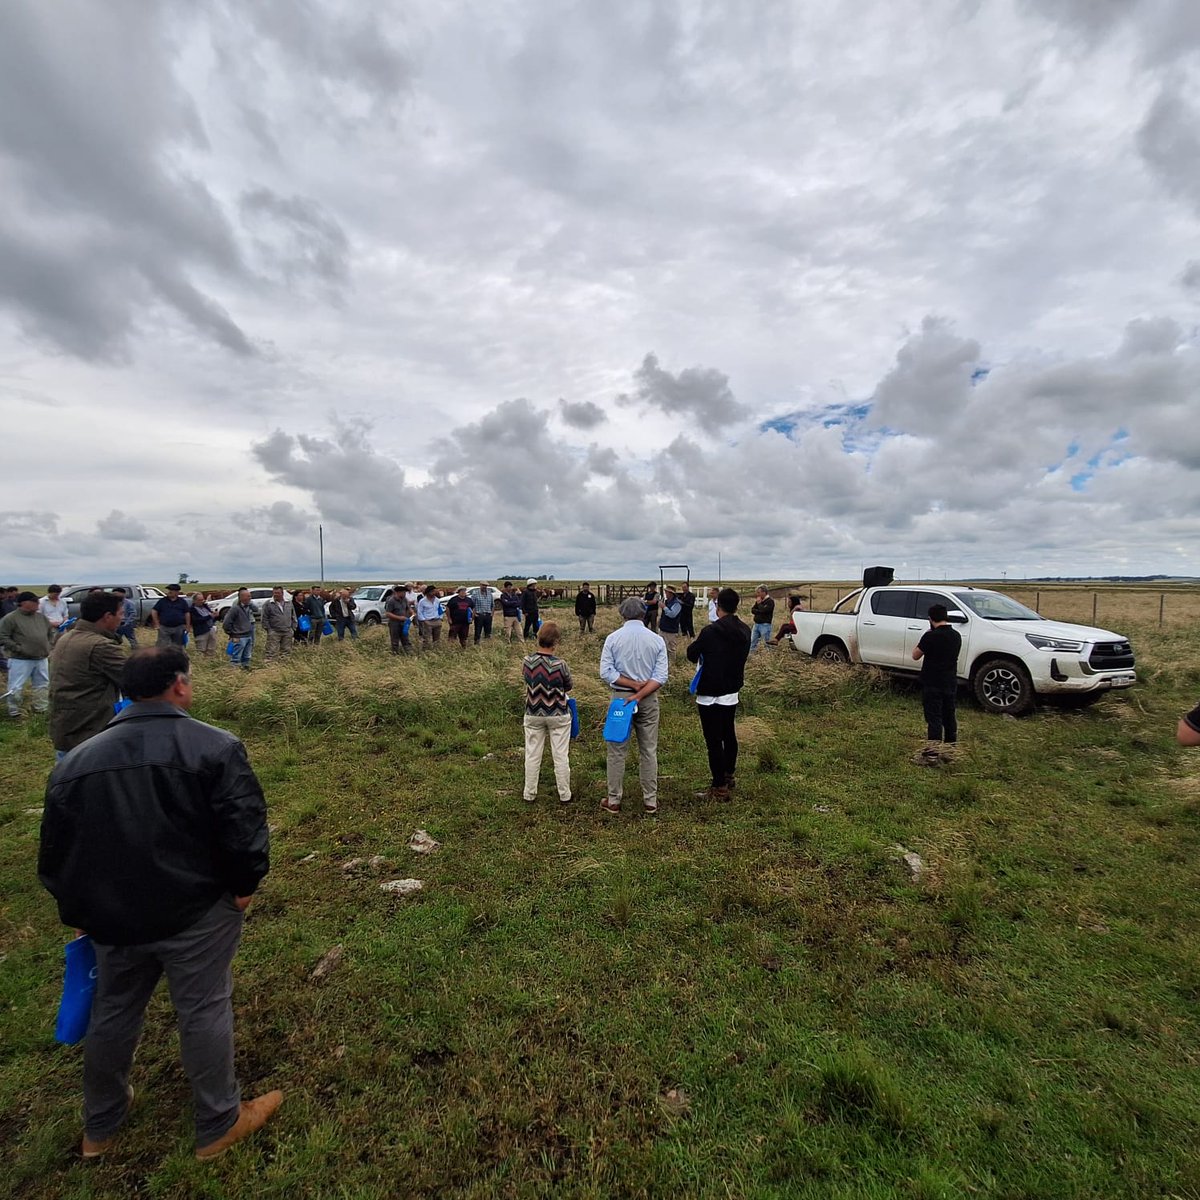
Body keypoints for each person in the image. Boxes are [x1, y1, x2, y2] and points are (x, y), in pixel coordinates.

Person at [38, 647, 280, 1161]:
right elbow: (243, 827)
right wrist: (244, 886)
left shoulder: (77, 761)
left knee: (113, 1011)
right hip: (196, 910)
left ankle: (100, 1127)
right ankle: (218, 1123)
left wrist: (79, 914)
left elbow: (56, 854)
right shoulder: (215, 746)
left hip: (109, 915)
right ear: (179, 686)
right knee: (204, 1008)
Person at [599, 596, 669, 816]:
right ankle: (650, 801)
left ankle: (614, 800)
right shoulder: (657, 640)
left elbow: (606, 672)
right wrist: (640, 694)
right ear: (644, 614)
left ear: (622, 614)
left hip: (621, 698)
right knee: (648, 750)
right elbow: (661, 676)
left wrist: (630, 686)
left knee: (616, 750)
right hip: (648, 698)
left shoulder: (613, 638)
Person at [685, 587, 751, 800]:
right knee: (729, 734)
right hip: (731, 690)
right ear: (736, 605)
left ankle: (719, 786)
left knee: (713, 740)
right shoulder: (744, 629)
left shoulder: (710, 632)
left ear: (717, 605)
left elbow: (691, 654)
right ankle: (729, 775)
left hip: (709, 693)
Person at [49, 591, 126, 760]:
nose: (122, 619)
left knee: (67, 779)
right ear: (107, 616)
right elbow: (135, 680)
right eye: (120, 614)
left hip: (67, 726)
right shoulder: (100, 645)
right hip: (90, 731)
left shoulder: (67, 637)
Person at [521, 621, 573, 805]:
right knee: (560, 755)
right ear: (556, 641)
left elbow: (526, 679)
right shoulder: (561, 664)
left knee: (532, 754)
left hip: (533, 712)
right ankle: (564, 794)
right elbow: (569, 686)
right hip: (558, 713)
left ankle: (529, 793)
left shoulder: (527, 661)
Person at [911, 603, 962, 754]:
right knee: (949, 715)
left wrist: (926, 635)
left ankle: (933, 752)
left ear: (930, 619)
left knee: (934, 717)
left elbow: (915, 655)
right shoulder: (956, 636)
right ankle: (950, 749)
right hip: (950, 681)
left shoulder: (930, 636)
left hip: (932, 682)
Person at [1, 591, 52, 718]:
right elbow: (3, 636)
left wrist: (48, 645)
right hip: (20, 659)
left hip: (41, 658)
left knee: (42, 684)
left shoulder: (41, 618)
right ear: (24, 603)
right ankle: (15, 712)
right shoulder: (10, 618)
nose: (38, 604)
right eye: (34, 601)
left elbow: (49, 633)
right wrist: (18, 648)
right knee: (16, 687)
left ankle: (41, 708)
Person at [221, 589, 256, 670]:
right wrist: (232, 634)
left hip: (248, 635)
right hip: (239, 637)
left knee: (247, 656)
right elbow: (226, 623)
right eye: (248, 596)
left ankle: (245, 670)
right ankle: (235, 673)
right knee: (236, 657)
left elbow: (256, 610)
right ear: (242, 597)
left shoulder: (248, 607)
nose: (250, 598)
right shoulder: (235, 609)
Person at [151, 583, 192, 648]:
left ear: (177, 592)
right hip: (164, 628)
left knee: (178, 646)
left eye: (172, 590)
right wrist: (157, 624)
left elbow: (187, 613)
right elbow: (154, 611)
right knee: (162, 646)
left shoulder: (182, 602)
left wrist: (187, 626)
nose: (169, 591)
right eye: (169, 590)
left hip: (179, 627)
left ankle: (176, 657)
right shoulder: (162, 601)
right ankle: (163, 657)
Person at [261, 587, 295, 663]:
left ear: (282, 593)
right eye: (274, 593)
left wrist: (293, 628)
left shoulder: (289, 603)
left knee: (286, 650)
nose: (276, 595)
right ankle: (270, 666)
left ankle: (284, 665)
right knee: (271, 650)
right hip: (274, 631)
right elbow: (264, 618)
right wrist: (269, 630)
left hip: (287, 631)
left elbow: (293, 616)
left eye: (278, 593)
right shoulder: (268, 604)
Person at [384, 585, 413, 655]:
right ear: (398, 592)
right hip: (394, 623)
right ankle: (395, 654)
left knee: (405, 638)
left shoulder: (405, 599)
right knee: (395, 640)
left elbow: (408, 608)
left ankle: (409, 653)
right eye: (403, 592)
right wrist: (399, 618)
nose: (404, 594)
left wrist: (412, 612)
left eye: (405, 592)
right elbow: (387, 614)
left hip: (404, 623)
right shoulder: (391, 601)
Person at [189, 593, 218, 657]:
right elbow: (196, 620)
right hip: (201, 632)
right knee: (201, 649)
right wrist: (209, 616)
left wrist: (215, 616)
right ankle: (202, 663)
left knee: (211, 648)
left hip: (211, 629)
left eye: (202, 599)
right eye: (199, 600)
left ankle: (210, 662)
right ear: (194, 601)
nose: (202, 601)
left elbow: (211, 617)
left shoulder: (206, 607)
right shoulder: (192, 610)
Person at [749, 586, 775, 652]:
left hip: (765, 625)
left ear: (764, 592)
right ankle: (751, 655)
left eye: (759, 592)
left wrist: (759, 604)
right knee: (753, 641)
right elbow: (752, 610)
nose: (757, 594)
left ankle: (768, 656)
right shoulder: (758, 600)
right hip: (756, 624)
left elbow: (764, 611)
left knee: (766, 642)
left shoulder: (770, 601)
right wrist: (759, 610)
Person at [659, 585, 683, 652]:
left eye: (666, 592)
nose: (665, 593)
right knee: (662, 648)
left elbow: (672, 614)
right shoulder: (666, 602)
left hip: (671, 630)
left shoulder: (677, 603)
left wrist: (664, 607)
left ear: (671, 593)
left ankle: (672, 662)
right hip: (663, 628)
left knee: (671, 649)